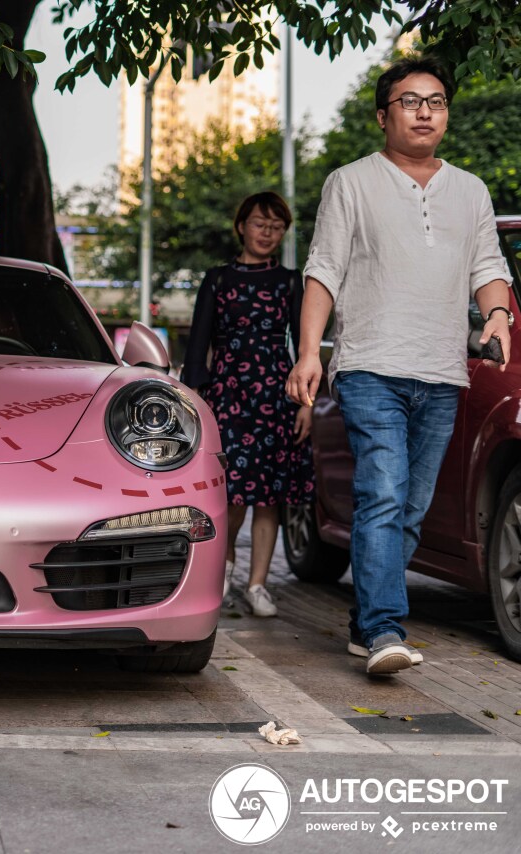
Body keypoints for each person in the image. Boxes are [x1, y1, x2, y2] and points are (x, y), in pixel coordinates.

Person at [286, 56, 513, 675]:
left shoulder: (470, 190)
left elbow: (489, 268)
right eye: (410, 101)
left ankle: (366, 623)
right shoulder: (350, 181)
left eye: (436, 101)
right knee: (382, 495)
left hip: (443, 374)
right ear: (383, 115)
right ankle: (386, 629)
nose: (424, 111)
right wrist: (311, 353)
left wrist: (497, 314)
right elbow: (323, 270)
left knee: (408, 508)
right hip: (370, 367)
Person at [182, 191, 314, 618]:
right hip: (228, 397)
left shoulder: (290, 282)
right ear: (242, 225)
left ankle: (258, 585)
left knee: (270, 496)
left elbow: (305, 345)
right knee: (232, 493)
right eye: (260, 224)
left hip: (278, 396)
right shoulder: (218, 279)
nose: (268, 233)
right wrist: (197, 402)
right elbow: (198, 345)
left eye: (277, 228)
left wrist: (307, 404)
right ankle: (223, 565)